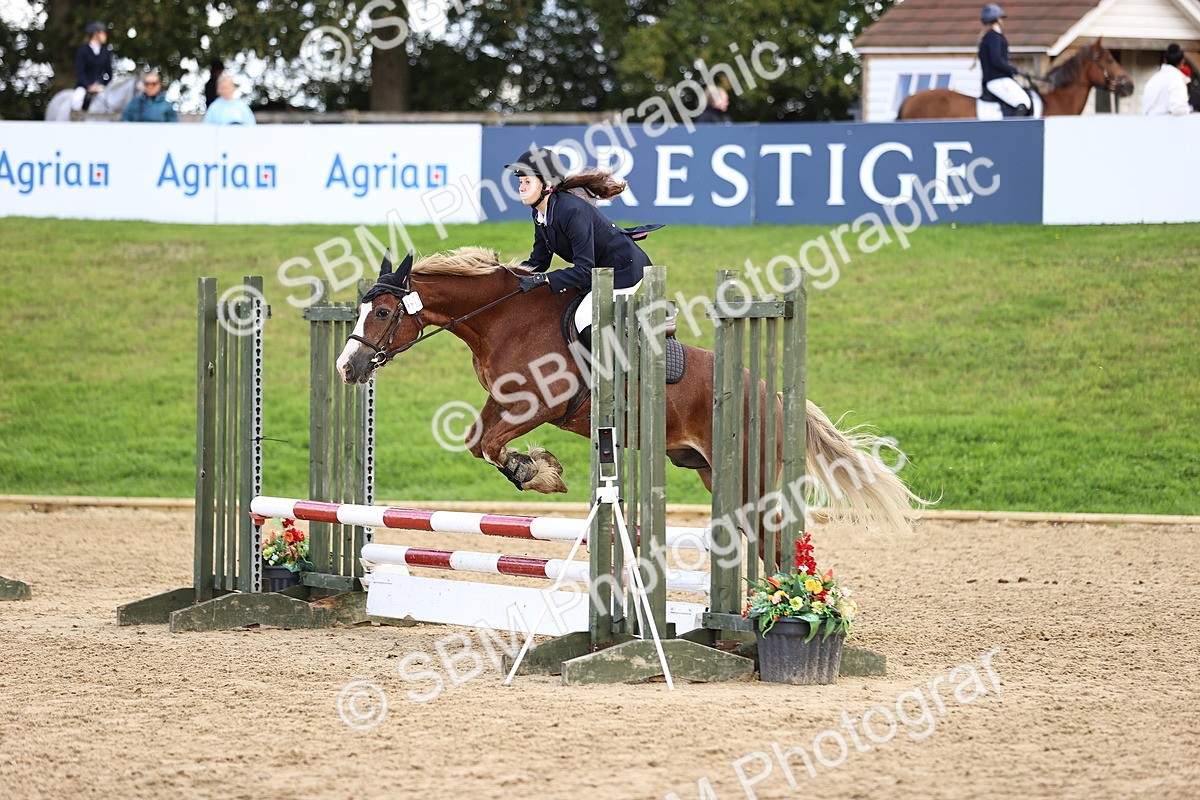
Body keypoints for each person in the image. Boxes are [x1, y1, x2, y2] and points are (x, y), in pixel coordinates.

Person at [506, 147, 663, 346]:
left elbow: (584, 270)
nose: (521, 187)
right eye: (520, 182)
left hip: (623, 271)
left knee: (583, 318)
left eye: (527, 182)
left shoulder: (571, 212)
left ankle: (616, 369)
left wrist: (544, 279)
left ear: (546, 184)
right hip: (598, 272)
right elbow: (539, 261)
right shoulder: (540, 214)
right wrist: (509, 277)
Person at [978, 4, 1032, 116]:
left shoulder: (990, 36)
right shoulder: (994, 37)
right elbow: (997, 60)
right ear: (997, 19)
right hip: (997, 79)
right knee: (1023, 102)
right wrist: (1014, 70)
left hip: (997, 79)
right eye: (1001, 18)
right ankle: (1013, 130)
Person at [72, 20, 112, 111]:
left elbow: (109, 73)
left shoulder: (105, 52)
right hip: (84, 87)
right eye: (103, 33)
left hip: (100, 87)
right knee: (76, 102)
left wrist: (102, 85)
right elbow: (80, 72)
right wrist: (88, 86)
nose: (105, 35)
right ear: (95, 34)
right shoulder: (83, 50)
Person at [1141, 44, 1191, 116]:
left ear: (1165, 60)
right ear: (1182, 61)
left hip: (1149, 123)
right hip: (1166, 125)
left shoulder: (1154, 79)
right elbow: (1178, 109)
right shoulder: (1176, 79)